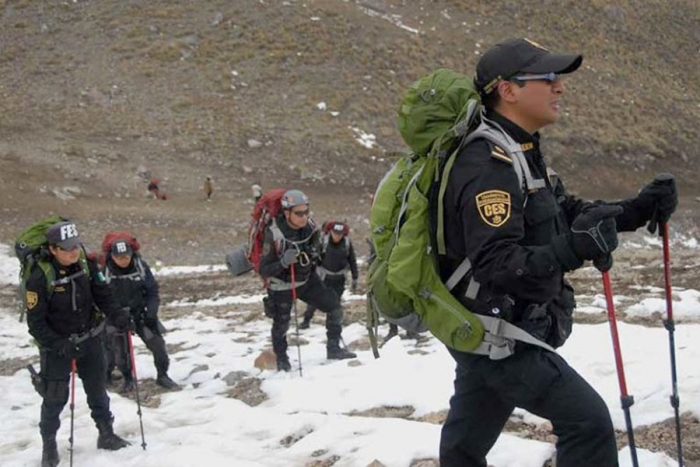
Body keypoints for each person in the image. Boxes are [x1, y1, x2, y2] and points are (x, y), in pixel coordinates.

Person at [437, 38, 678, 467]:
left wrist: (635, 210)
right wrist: (572, 250)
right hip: (499, 335)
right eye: (547, 77)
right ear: (507, 90)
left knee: (464, 447)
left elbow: (566, 213)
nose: (559, 87)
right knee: (587, 423)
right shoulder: (487, 164)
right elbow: (495, 264)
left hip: (489, 332)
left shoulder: (521, 150)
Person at [24, 221, 131, 467]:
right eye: (66, 248)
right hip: (57, 346)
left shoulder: (86, 264)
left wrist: (117, 315)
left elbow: (103, 294)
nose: (73, 251)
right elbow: (36, 324)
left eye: (75, 245)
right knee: (54, 398)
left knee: (97, 390)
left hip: (90, 338)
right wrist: (59, 345)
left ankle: (106, 434)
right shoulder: (39, 277)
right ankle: (49, 446)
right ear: (52, 249)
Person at [258, 189, 356, 371]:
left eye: (306, 211)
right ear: (287, 213)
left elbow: (317, 251)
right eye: (299, 213)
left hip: (305, 280)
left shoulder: (310, 228)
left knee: (334, 307)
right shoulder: (273, 234)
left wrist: (312, 254)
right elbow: (264, 269)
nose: (304, 217)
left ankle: (333, 348)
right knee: (281, 324)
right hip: (281, 286)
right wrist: (283, 262)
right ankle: (282, 360)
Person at [103, 239, 178, 390]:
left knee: (158, 346)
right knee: (119, 350)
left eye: (126, 256)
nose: (123, 260)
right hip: (116, 316)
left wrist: (151, 314)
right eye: (119, 257)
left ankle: (163, 376)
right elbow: (102, 296)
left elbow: (152, 292)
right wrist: (116, 314)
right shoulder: (105, 271)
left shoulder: (140, 267)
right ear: (112, 256)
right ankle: (127, 378)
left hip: (141, 314)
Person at [299, 221, 358, 329]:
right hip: (323, 277)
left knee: (335, 303)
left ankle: (332, 325)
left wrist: (355, 277)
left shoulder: (347, 243)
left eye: (339, 234)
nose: (337, 236)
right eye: (335, 233)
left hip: (339, 278)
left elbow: (352, 260)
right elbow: (314, 258)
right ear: (330, 232)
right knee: (315, 300)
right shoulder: (323, 242)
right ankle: (306, 320)